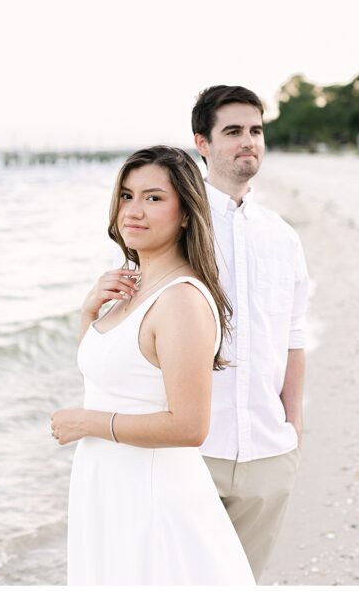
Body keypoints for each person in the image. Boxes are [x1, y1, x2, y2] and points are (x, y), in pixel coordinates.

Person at [51, 145, 255, 584]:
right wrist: (89, 313)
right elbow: (112, 376)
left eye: (153, 197)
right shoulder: (136, 288)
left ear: (185, 214)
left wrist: (88, 422)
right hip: (109, 486)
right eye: (126, 196)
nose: (133, 211)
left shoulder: (180, 300)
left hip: (152, 495)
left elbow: (189, 426)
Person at [191, 85, 310, 579]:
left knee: (243, 581)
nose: (248, 141)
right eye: (233, 131)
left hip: (268, 451)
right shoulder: (174, 225)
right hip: (193, 451)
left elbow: (294, 336)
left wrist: (293, 430)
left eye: (256, 130)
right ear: (202, 143)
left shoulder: (282, 236)